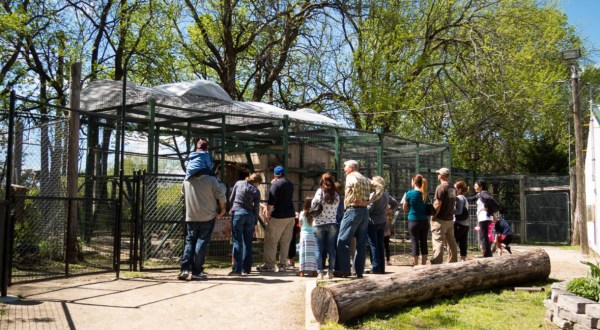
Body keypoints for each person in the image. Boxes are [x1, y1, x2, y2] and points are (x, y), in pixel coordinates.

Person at [335, 160, 383, 278]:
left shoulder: (351, 177)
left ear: (351, 168)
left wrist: (358, 198)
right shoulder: (366, 179)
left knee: (342, 241)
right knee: (361, 244)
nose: (344, 169)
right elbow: (380, 187)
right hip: (364, 213)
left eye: (345, 167)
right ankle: (358, 271)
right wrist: (370, 201)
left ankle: (344, 270)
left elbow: (355, 183)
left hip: (352, 211)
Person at [178, 168, 226, 280]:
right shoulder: (212, 180)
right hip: (208, 216)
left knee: (189, 241)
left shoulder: (187, 181)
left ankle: (185, 268)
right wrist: (222, 209)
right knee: (202, 242)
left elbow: (183, 194)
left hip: (191, 216)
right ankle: (197, 270)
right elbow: (221, 195)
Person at [257, 166, 295, 272]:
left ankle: (269, 264)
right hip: (290, 216)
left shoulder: (276, 184)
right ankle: (283, 264)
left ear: (275, 175)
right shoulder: (290, 184)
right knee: (285, 241)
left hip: (278, 217)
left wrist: (268, 212)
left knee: (271, 241)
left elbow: (271, 201)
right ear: (284, 174)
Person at [228, 173, 262, 276]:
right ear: (257, 182)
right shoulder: (256, 191)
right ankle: (247, 268)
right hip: (250, 216)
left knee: (237, 241)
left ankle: (237, 269)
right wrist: (255, 221)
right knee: (248, 242)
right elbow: (256, 208)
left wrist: (232, 207)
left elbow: (231, 199)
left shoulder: (239, 183)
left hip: (238, 213)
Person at [311, 173, 340, 279]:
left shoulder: (320, 192)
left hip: (318, 223)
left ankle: (320, 273)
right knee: (331, 249)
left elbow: (313, 205)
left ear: (322, 182)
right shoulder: (336, 194)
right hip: (332, 223)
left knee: (319, 249)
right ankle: (330, 272)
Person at [367, 176, 398, 274]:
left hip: (372, 222)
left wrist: (364, 207)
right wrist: (387, 209)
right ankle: (382, 267)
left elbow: (370, 208)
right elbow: (395, 203)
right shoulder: (386, 194)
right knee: (380, 244)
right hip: (382, 221)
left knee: (373, 244)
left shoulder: (373, 194)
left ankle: (375, 267)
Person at [430, 167, 458, 264]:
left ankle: (437, 260)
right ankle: (453, 259)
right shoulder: (452, 188)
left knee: (438, 240)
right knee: (451, 241)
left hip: (440, 219)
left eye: (438, 174)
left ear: (442, 175)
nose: (437, 175)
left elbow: (438, 204)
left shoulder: (440, 187)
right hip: (450, 219)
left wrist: (433, 216)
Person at [402, 174, 430, 266]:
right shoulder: (425, 194)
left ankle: (416, 264)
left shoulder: (410, 193)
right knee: (424, 241)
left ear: (414, 182)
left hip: (413, 220)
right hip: (424, 221)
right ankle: (424, 264)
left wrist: (410, 209)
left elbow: (404, 207)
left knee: (414, 241)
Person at [469, 179, 494, 258]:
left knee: (484, 236)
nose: (474, 187)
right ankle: (488, 253)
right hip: (484, 217)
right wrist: (459, 197)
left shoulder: (483, 193)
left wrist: (486, 207)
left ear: (481, 186)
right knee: (484, 236)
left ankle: (486, 254)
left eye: (476, 185)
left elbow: (488, 198)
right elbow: (471, 199)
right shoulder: (479, 194)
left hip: (484, 217)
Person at [298, 198, 318, 277]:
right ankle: (314, 271)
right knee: (314, 254)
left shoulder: (302, 213)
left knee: (303, 253)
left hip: (304, 235)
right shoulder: (315, 214)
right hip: (313, 236)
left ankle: (302, 271)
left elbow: (300, 225)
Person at [453, 181, 470, 262]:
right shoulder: (464, 198)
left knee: (454, 242)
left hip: (459, 224)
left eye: (455, 188)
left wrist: (450, 211)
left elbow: (459, 211)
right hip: (465, 224)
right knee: (463, 243)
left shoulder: (459, 198)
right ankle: (463, 260)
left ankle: (453, 259)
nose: (453, 190)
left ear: (459, 190)